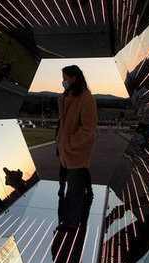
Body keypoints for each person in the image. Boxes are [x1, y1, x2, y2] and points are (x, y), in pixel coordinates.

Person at [55, 65, 97, 228]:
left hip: (76, 152)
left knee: (74, 191)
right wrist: (61, 142)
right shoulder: (68, 96)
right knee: (75, 184)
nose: (63, 82)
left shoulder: (86, 98)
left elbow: (89, 127)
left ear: (74, 78)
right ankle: (88, 196)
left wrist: (69, 143)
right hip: (66, 151)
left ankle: (71, 223)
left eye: (65, 78)